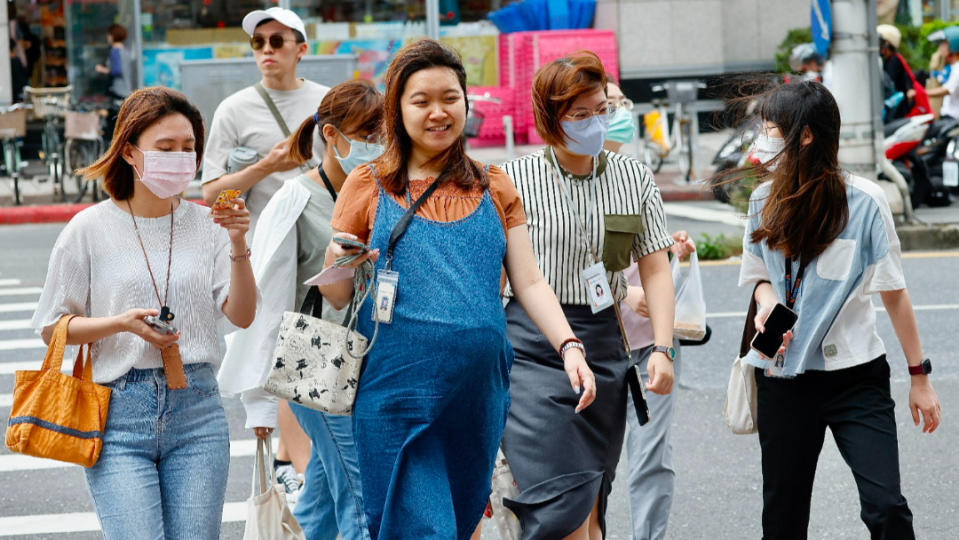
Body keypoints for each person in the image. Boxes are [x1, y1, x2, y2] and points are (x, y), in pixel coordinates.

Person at [318, 39, 596, 540]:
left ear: (467, 103)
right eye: (420, 101)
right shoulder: (367, 184)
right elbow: (337, 297)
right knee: (424, 526)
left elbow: (529, 280)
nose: (437, 112)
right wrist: (341, 258)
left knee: (460, 519)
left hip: (476, 394)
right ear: (396, 109)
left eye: (449, 98)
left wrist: (569, 346)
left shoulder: (496, 185)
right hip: (394, 394)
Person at [30, 87, 257, 538]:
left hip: (197, 410)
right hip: (116, 412)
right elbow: (52, 327)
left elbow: (243, 315)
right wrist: (120, 324)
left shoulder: (207, 225)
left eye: (188, 147)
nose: (180, 158)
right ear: (131, 153)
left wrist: (237, 244)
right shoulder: (89, 228)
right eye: (165, 148)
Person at [736, 80, 941, 539]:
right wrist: (768, 305)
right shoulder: (760, 200)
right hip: (783, 375)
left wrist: (919, 377)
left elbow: (894, 293)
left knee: (886, 507)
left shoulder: (866, 201)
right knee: (783, 517)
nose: (762, 137)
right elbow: (759, 276)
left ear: (805, 136)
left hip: (856, 376)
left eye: (770, 128)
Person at [500, 51, 676, 540]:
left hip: (603, 341)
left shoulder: (633, 177)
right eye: (580, 115)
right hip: (531, 349)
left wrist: (661, 347)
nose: (596, 122)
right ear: (550, 120)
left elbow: (655, 268)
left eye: (601, 109)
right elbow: (499, 276)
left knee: (594, 500)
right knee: (562, 504)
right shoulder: (514, 180)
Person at [219, 79, 385, 540]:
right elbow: (267, 295)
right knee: (361, 500)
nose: (375, 145)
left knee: (324, 504)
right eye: (366, 134)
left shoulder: (379, 191)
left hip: (374, 364)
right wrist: (261, 402)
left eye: (381, 135)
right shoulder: (297, 196)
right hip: (319, 366)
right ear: (331, 135)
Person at [202, 6, 328, 491]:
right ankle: (297, 467)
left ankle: (296, 459)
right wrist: (267, 165)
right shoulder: (235, 109)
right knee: (280, 350)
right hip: (265, 251)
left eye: (278, 41)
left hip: (322, 248)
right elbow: (213, 192)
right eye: (259, 43)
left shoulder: (326, 102)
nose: (267, 51)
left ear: (301, 48)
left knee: (316, 350)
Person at [925, 26, 959, 120]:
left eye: (943, 44)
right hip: (947, 115)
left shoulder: (957, 68)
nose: (940, 48)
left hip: (954, 118)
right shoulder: (949, 67)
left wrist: (922, 93)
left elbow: (946, 90)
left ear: (954, 45)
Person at [95, 24, 133, 101]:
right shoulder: (126, 51)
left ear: (112, 36)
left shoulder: (115, 51)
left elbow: (117, 70)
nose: (107, 37)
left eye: (108, 35)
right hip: (126, 88)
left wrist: (101, 69)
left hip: (117, 90)